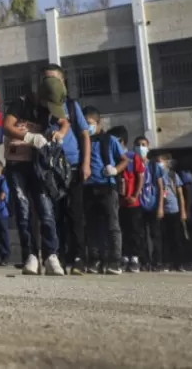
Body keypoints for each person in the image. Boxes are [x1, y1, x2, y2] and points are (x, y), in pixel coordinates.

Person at [3, 66, 83, 276]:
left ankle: (51, 255)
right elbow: (7, 125)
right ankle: (30, 255)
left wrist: (60, 133)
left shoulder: (53, 106)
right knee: (23, 209)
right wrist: (29, 137)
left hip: (40, 166)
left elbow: (65, 122)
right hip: (17, 165)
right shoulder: (21, 102)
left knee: (46, 211)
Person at [81, 108, 128, 275]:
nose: (87, 127)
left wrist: (115, 170)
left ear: (98, 123)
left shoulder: (110, 140)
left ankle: (115, 260)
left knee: (112, 225)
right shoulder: (83, 139)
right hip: (88, 186)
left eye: (89, 123)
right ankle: (95, 260)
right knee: (92, 226)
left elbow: (124, 160)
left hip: (107, 186)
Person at [117, 135, 146, 273]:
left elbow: (140, 176)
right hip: (120, 202)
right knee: (122, 230)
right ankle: (124, 257)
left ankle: (134, 258)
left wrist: (135, 195)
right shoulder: (114, 157)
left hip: (133, 202)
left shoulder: (133, 157)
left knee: (134, 231)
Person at [135, 138, 165, 271]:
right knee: (140, 235)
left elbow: (160, 187)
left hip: (152, 204)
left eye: (143, 145)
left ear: (148, 148)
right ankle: (144, 261)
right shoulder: (133, 164)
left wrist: (160, 206)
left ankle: (157, 261)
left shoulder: (154, 166)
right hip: (138, 204)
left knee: (156, 235)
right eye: (138, 145)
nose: (140, 148)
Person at [159, 153, 187, 272]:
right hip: (162, 210)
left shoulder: (172, 175)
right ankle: (168, 262)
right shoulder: (157, 174)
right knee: (165, 238)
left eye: (162, 161)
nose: (160, 163)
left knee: (177, 238)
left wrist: (183, 211)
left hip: (174, 209)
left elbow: (180, 194)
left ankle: (179, 263)